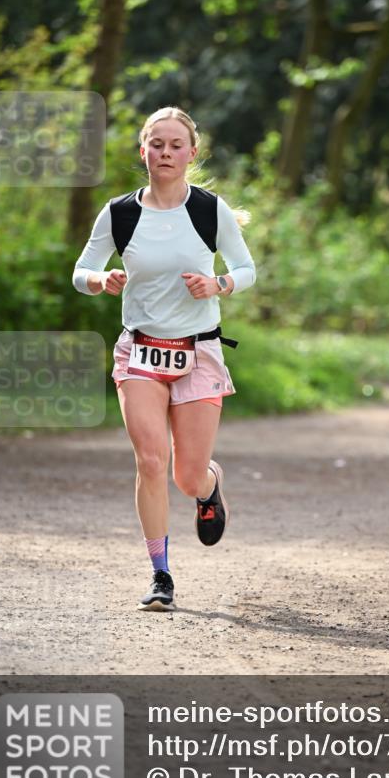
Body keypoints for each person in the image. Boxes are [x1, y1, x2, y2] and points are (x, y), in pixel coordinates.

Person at [72, 106, 256, 609]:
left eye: (176, 145)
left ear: (191, 153)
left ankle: (209, 484)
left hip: (198, 351)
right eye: (157, 143)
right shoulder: (120, 213)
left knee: (185, 475)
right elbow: (81, 270)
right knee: (151, 461)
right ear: (143, 151)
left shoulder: (208, 210)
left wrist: (218, 283)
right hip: (140, 351)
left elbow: (246, 268)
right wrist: (99, 280)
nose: (166, 152)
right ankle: (160, 575)